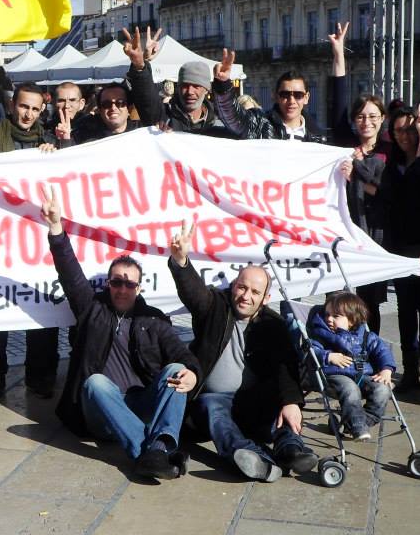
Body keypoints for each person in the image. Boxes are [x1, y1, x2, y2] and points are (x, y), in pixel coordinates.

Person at [42, 187, 199, 480]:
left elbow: (180, 353)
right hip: (100, 411)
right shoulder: (92, 309)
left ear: (139, 288)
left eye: (129, 284)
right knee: (96, 383)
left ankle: (158, 448)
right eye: (117, 282)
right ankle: (155, 451)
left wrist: (192, 371)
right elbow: (69, 272)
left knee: (177, 369)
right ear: (108, 285)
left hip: (139, 403)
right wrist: (56, 227)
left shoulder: (152, 318)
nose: (122, 289)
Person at [167, 221, 317, 482]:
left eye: (255, 292)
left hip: (255, 402)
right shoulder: (214, 306)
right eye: (242, 287)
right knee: (209, 403)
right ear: (233, 285)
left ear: (266, 298)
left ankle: (291, 449)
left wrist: (291, 402)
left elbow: (286, 367)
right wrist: (181, 262)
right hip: (216, 403)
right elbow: (194, 293)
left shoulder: (273, 325)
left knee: (284, 402)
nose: (246, 296)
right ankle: (250, 456)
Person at [0, 81, 61, 401]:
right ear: (11, 105)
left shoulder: (47, 140)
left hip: (37, 242)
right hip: (1, 238)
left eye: (35, 108)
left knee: (41, 309)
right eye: (23, 106)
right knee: (0, 312)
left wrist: (55, 150)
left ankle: (41, 374)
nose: (28, 114)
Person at [329, 22, 389, 333]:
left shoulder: (389, 150)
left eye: (373, 116)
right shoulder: (345, 144)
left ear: (382, 120)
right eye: (361, 116)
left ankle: (370, 358)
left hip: (373, 237)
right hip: (341, 235)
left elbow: (389, 192)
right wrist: (339, 53)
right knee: (337, 300)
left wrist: (361, 177)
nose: (366, 121)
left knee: (369, 304)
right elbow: (337, 102)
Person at [380, 103, 420, 392]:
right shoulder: (393, 165)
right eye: (396, 130)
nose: (402, 135)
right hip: (400, 246)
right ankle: (411, 367)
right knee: (406, 310)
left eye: (407, 129)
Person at [307, 292, 396, 440]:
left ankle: (360, 422)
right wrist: (328, 356)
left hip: (363, 375)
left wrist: (386, 370)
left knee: (383, 389)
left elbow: (382, 351)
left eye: (336, 316)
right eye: (327, 314)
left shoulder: (366, 337)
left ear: (352, 320)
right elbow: (311, 351)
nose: (329, 319)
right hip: (336, 377)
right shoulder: (321, 335)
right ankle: (357, 427)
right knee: (350, 389)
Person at [124, 27, 235, 137]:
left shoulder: (221, 120)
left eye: (196, 86)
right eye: (185, 85)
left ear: (207, 89)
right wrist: (139, 65)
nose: (190, 91)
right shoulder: (164, 117)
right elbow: (146, 99)